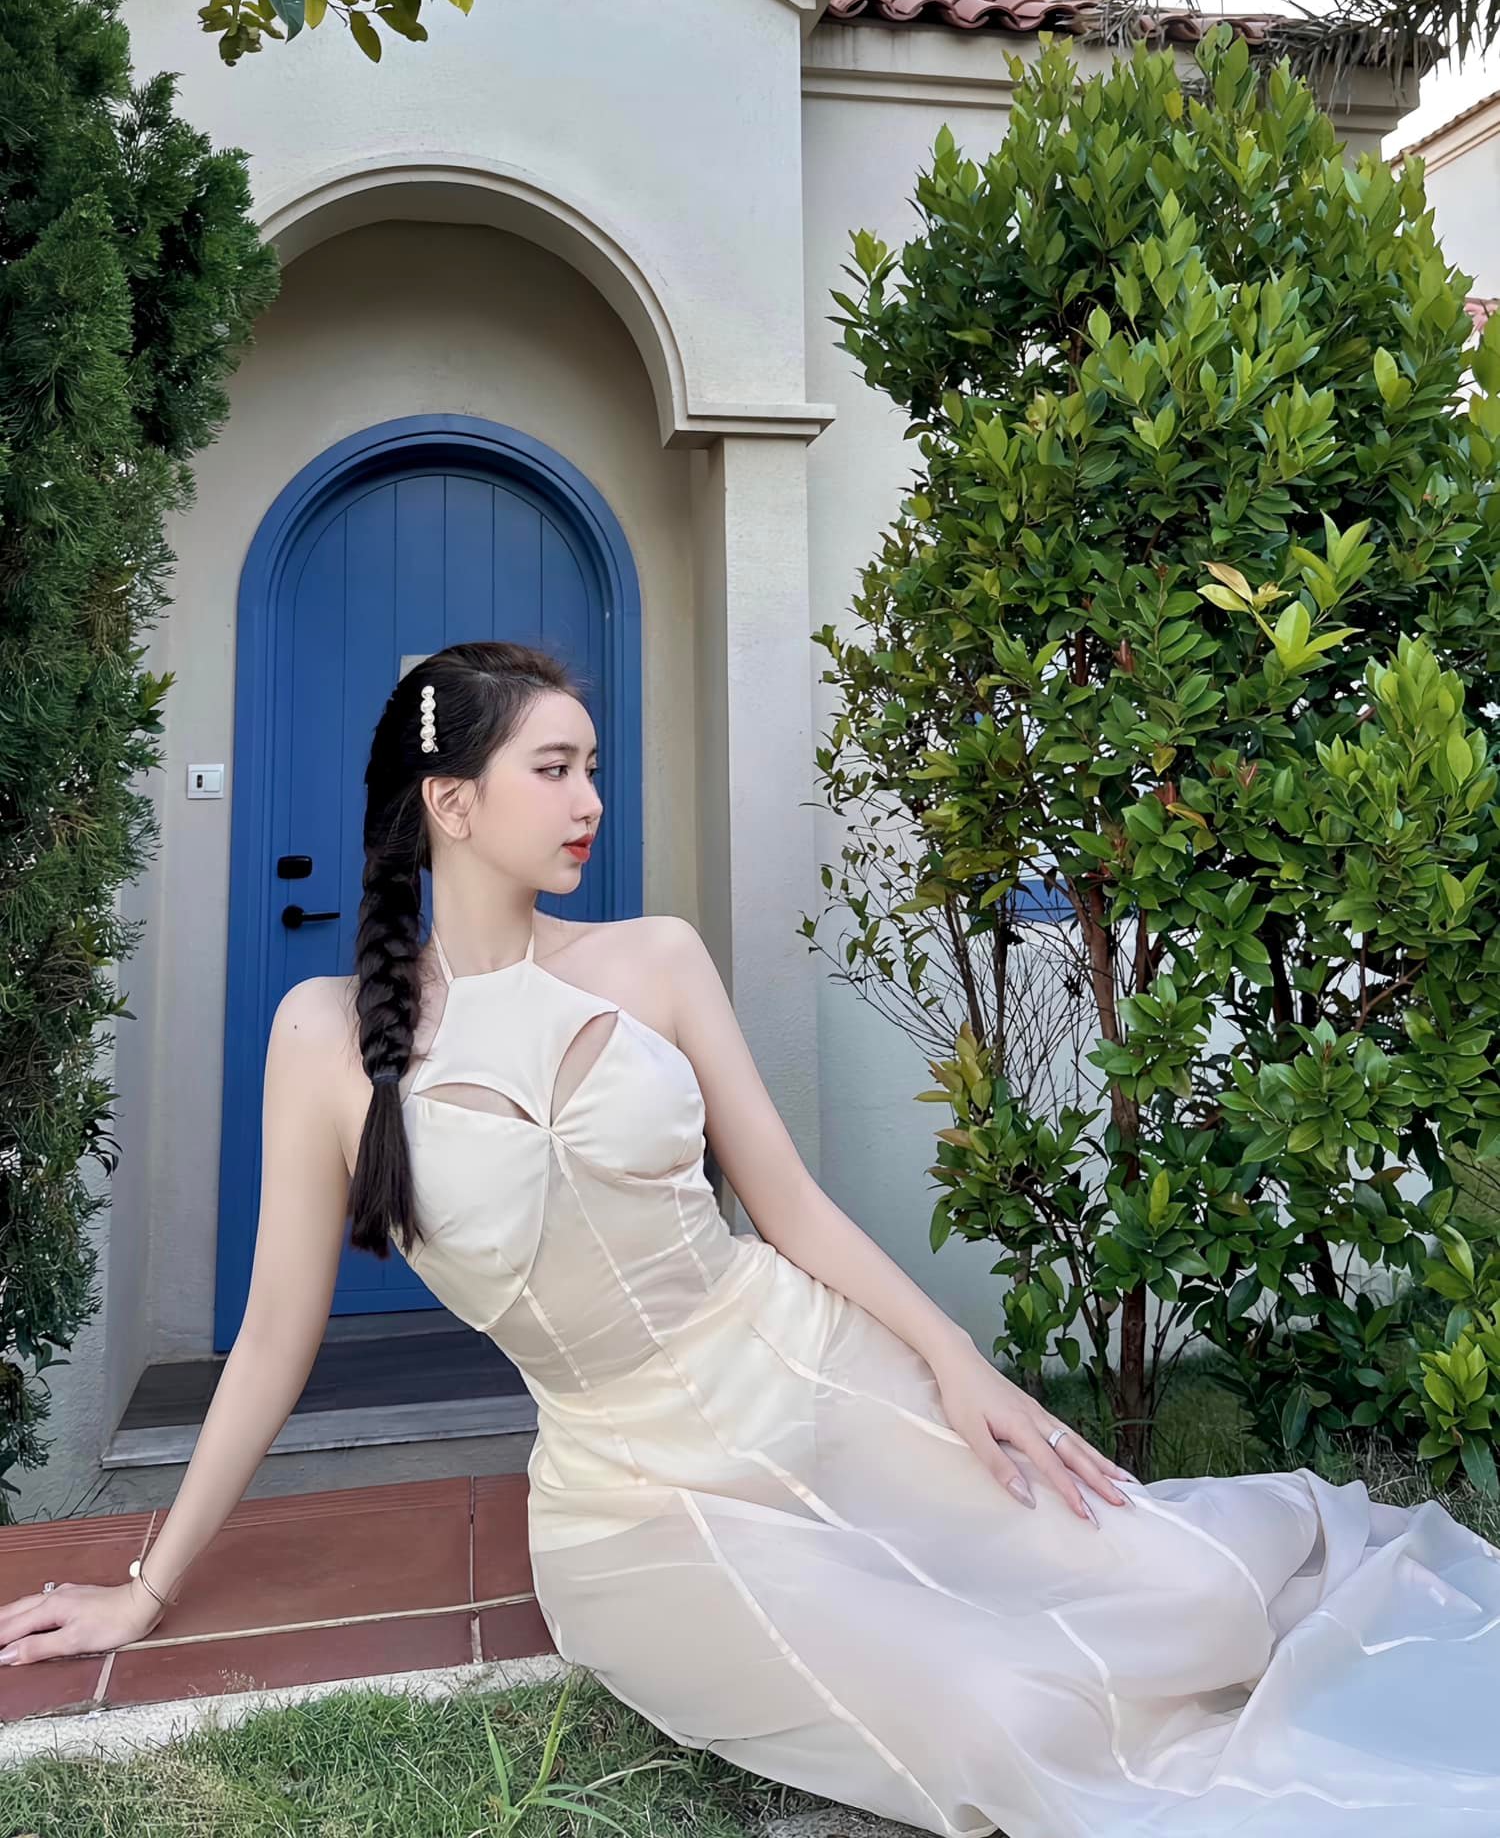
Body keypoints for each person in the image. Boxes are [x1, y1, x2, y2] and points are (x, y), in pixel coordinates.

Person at [3, 637, 1498, 1836]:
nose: (591, 798)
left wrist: (955, 1364)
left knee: (1197, 1599)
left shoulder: (655, 959)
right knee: (989, 1713)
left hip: (813, 1373)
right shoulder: (324, 1036)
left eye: (594, 766)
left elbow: (788, 1206)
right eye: (555, 768)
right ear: (451, 802)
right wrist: (147, 1586)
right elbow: (275, 1339)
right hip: (637, 1503)